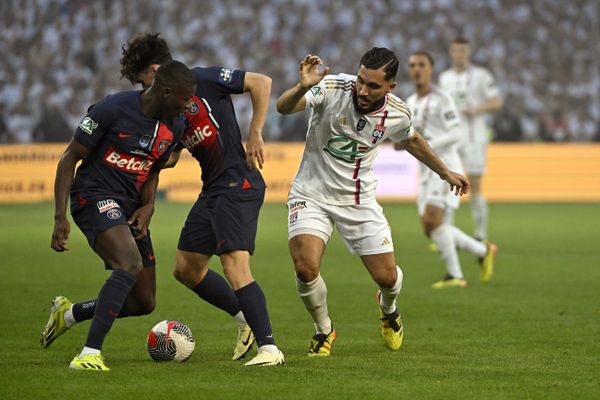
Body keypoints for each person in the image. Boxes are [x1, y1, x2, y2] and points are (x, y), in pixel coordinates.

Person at [276, 48, 469, 356]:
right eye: (361, 81)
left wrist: (445, 172)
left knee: (387, 278)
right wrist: (302, 86)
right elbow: (284, 108)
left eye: (373, 86)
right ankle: (323, 329)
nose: (363, 90)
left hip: (358, 200)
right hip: (311, 193)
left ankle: (388, 308)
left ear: (390, 87)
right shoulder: (332, 86)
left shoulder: (397, 112)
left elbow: (411, 139)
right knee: (305, 267)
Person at [119, 33, 284, 366]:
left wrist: (255, 132)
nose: (144, 90)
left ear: (155, 70)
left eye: (143, 83)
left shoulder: (202, 79)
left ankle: (270, 349)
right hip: (212, 190)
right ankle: (244, 320)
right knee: (186, 269)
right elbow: (172, 156)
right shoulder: (170, 108)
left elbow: (262, 83)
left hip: (239, 183)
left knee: (235, 265)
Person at [40, 60, 196, 371]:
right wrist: (60, 217)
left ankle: (70, 314)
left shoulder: (175, 124)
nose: (189, 106)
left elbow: (152, 167)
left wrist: (149, 205)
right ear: (165, 92)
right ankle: (88, 354)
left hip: (131, 206)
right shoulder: (112, 109)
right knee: (129, 263)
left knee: (143, 302)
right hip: (93, 196)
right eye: (186, 98)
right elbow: (69, 157)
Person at [402, 51, 497, 288]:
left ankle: (456, 275)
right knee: (429, 227)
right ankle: (482, 251)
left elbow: (456, 133)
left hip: (445, 166)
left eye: (421, 64)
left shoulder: (442, 98)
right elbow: (410, 134)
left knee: (434, 222)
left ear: (431, 69)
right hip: (425, 169)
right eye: (413, 65)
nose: (416, 69)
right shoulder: (411, 102)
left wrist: (428, 144)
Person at [439, 37, 502, 241]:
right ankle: (446, 232)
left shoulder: (482, 76)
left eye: (463, 51)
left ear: (469, 52)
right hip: (452, 138)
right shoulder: (444, 78)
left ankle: (480, 234)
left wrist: (476, 109)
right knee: (448, 181)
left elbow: (495, 102)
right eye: (456, 50)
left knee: (475, 184)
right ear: (451, 52)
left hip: (475, 137)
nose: (459, 54)